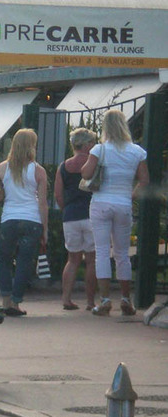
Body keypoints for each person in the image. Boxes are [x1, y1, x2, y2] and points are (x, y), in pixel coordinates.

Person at [81, 109, 149, 316]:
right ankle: (127, 300)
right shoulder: (137, 151)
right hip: (123, 205)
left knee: (102, 251)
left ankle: (105, 300)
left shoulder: (100, 149)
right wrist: (130, 195)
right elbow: (144, 181)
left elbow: (85, 173)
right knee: (122, 253)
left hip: (101, 203)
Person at [0, 129, 48, 316]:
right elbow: (43, 203)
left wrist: (1, 195)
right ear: (32, 146)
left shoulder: (2, 168)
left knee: (4, 259)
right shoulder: (38, 171)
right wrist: (44, 230)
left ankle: (5, 300)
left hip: (9, 219)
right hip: (32, 220)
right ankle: (15, 302)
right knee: (24, 262)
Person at [54, 128, 98, 311]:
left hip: (70, 217)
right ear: (87, 144)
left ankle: (66, 299)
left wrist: (67, 209)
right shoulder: (93, 163)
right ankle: (90, 302)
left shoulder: (63, 166)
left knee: (72, 260)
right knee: (91, 260)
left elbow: (58, 195)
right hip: (91, 215)